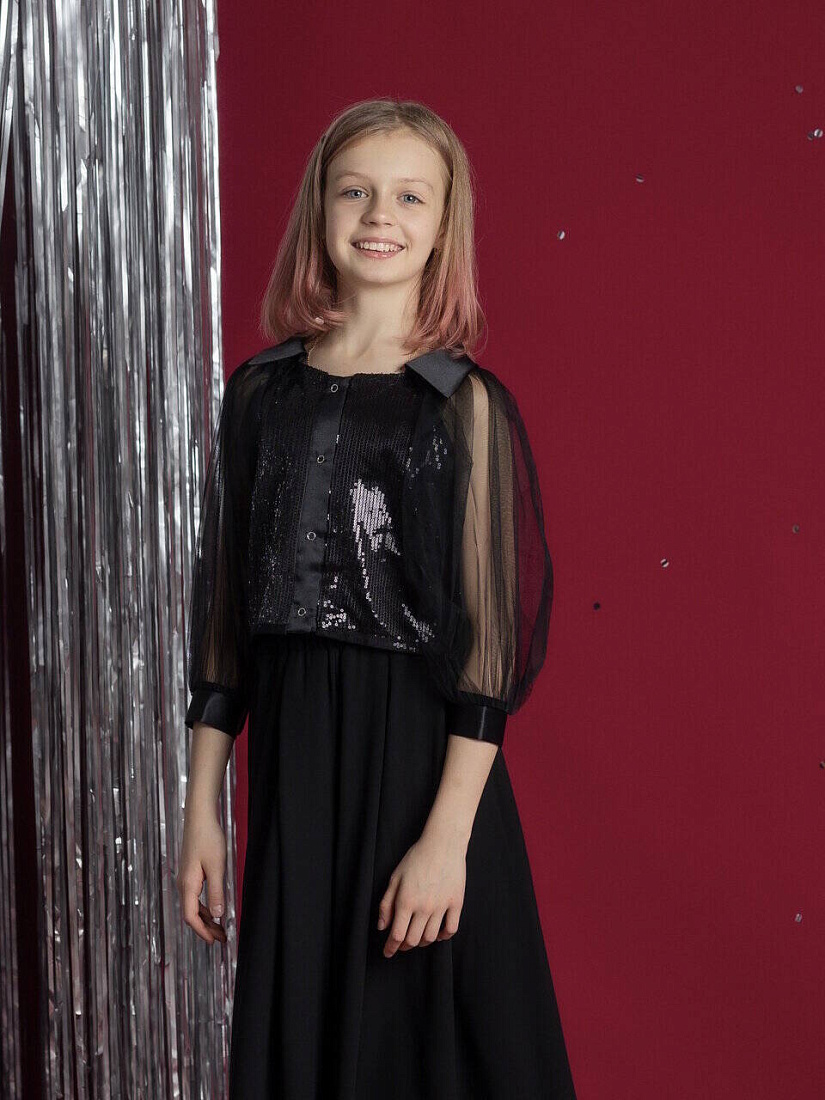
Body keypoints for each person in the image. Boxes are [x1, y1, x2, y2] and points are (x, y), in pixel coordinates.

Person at [176, 97, 577, 1099]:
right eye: (354, 192)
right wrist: (202, 810)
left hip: (420, 762)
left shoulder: (461, 404)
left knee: (425, 1042)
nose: (378, 216)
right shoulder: (259, 393)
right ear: (320, 210)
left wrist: (446, 841)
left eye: (408, 196)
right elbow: (224, 624)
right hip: (295, 761)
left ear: (443, 225)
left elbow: (486, 655)